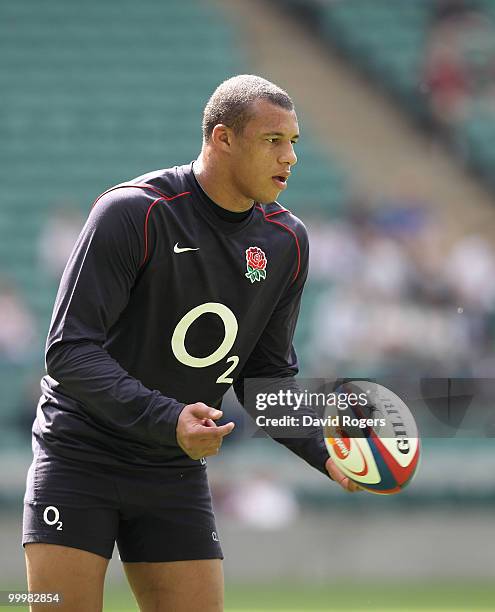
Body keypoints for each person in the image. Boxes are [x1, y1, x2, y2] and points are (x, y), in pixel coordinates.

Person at [22, 74, 359, 612]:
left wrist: (325, 451)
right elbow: (68, 351)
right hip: (78, 456)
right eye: (273, 140)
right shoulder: (134, 212)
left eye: (294, 142)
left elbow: (262, 375)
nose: (290, 157)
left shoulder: (287, 239)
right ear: (221, 138)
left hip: (171, 469)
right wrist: (168, 417)